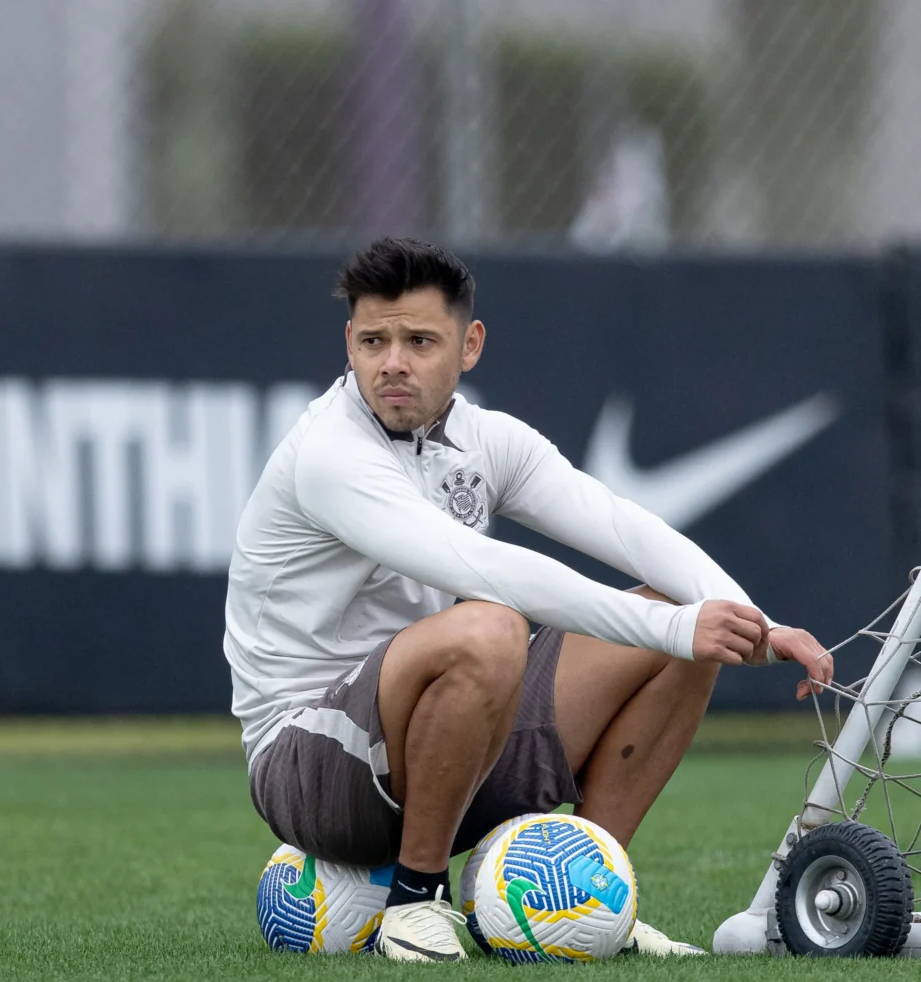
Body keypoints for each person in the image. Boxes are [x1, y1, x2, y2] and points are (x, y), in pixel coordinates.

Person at [224, 237, 833, 962]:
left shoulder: (486, 439)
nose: (392, 362)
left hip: (444, 745)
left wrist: (752, 622)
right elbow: (485, 569)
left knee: (678, 621)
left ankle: (594, 895)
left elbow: (619, 525)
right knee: (491, 627)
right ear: (348, 343)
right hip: (311, 771)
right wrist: (677, 625)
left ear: (469, 345)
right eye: (373, 340)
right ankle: (416, 903)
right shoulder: (330, 452)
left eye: (420, 340)